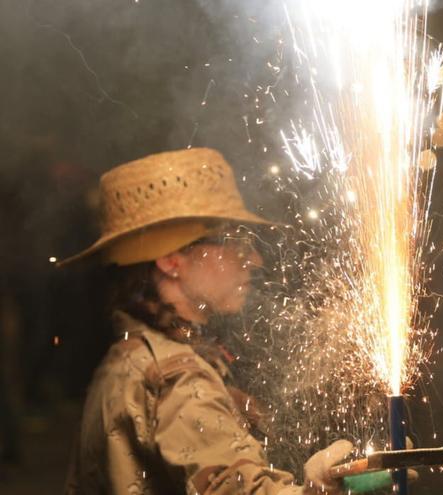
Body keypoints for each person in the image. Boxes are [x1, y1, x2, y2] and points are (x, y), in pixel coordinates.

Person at [62, 148, 352, 494]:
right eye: (235, 243)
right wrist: (320, 489)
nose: (254, 260)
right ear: (172, 261)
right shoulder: (174, 378)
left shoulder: (130, 355)